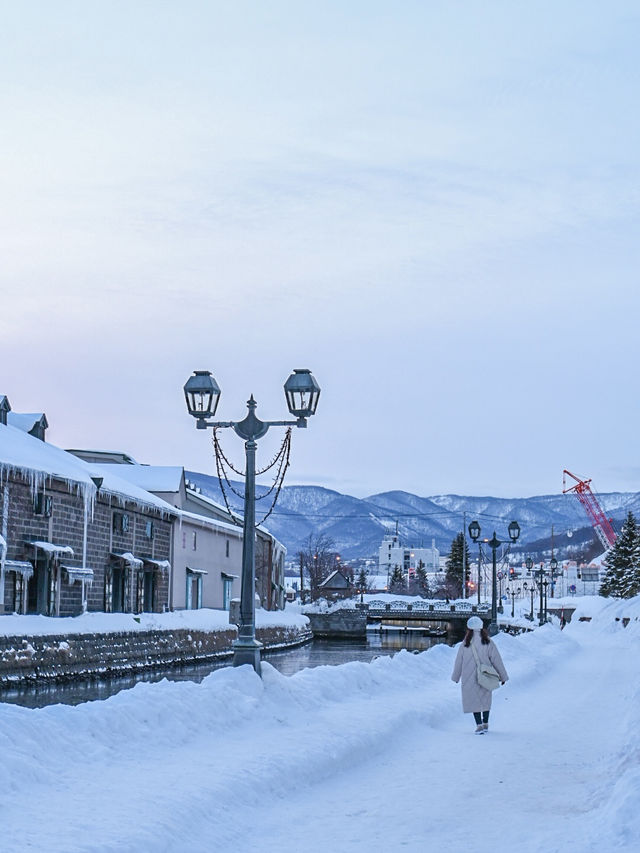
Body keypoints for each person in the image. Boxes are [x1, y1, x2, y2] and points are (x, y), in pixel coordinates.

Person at [451, 615, 508, 734]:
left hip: (469, 678)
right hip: (485, 676)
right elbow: (497, 660)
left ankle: (479, 725)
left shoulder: (465, 643)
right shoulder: (488, 642)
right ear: (482, 628)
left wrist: (456, 677)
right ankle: (486, 723)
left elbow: (459, 662)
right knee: (485, 699)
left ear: (469, 629)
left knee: (473, 701)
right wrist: (503, 676)